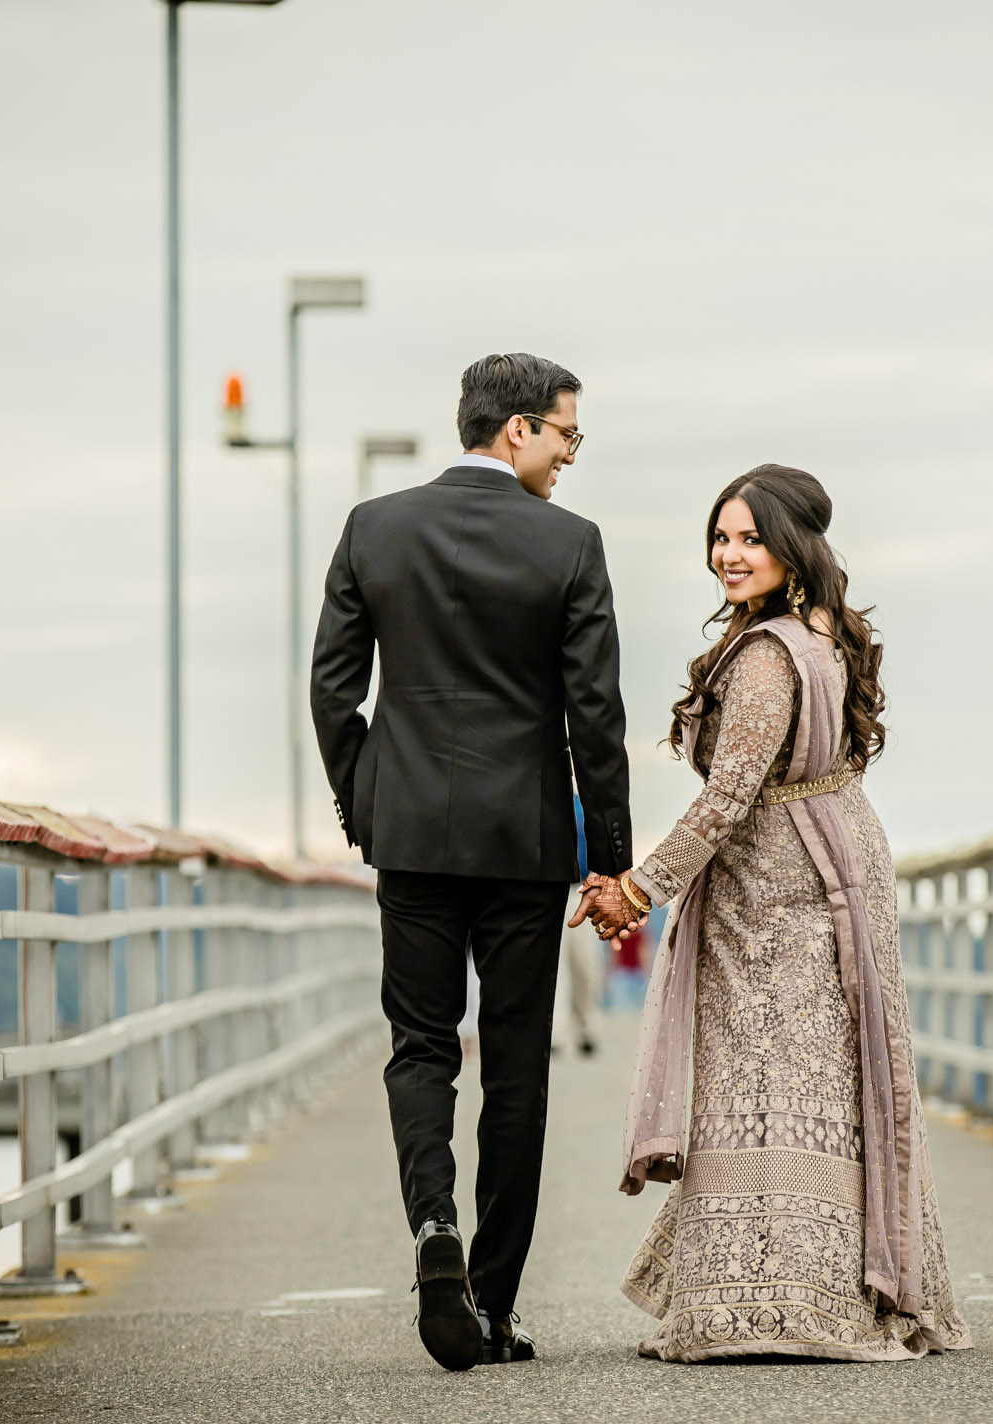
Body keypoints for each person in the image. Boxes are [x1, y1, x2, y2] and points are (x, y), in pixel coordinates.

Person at [574, 464, 970, 1363]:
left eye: (750, 538)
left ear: (792, 551)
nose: (729, 554)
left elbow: (728, 797)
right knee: (822, 1080)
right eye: (721, 537)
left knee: (762, 1083)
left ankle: (777, 1301)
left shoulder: (764, 657)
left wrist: (637, 889)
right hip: (834, 864)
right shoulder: (822, 634)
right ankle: (838, 1287)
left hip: (781, 893)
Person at [311, 352, 630, 1372]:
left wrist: (369, 803)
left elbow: (332, 691)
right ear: (517, 431)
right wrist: (609, 862)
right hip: (526, 843)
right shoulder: (569, 545)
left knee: (420, 1045)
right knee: (517, 1070)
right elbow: (596, 720)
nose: (572, 454)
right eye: (568, 435)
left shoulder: (374, 528)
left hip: (411, 836)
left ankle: (433, 1231)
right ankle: (490, 1305)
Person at [558, 797, 607, 1056]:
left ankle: (588, 1024)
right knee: (556, 963)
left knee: (585, 962)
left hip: (583, 888)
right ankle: (557, 1031)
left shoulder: (585, 802)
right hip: (550, 888)